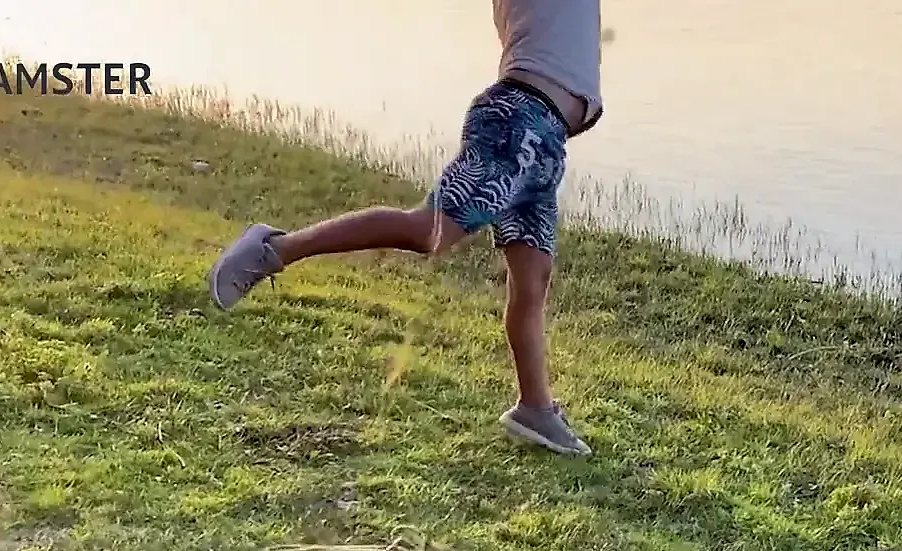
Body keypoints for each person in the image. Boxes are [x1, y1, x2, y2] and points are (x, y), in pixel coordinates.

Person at [207, 0, 604, 457]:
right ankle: (273, 249)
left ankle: (535, 407)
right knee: (429, 231)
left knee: (532, 281)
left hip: (546, 138)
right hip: (516, 124)